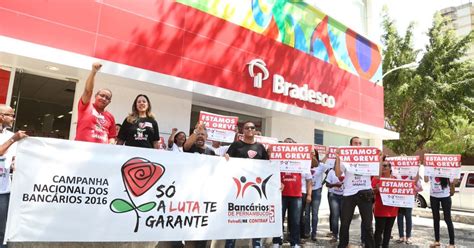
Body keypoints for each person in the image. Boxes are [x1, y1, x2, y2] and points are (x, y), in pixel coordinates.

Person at [225, 121, 269, 248]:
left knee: (256, 217)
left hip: (256, 191)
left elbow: (267, 167)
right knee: (234, 218)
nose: (250, 129)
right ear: (242, 131)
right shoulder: (236, 145)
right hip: (237, 189)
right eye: (247, 127)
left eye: (252, 127)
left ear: (255, 130)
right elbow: (227, 163)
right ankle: (230, 244)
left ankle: (256, 244)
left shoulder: (260, 147)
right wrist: (226, 158)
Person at [335, 136, 375, 248]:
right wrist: (338, 158)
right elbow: (338, 174)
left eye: (360, 143)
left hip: (365, 192)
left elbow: (378, 174)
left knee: (368, 225)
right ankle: (343, 245)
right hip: (349, 194)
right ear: (350, 145)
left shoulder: (369, 158)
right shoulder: (345, 158)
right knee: (344, 224)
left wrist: (380, 159)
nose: (358, 145)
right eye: (355, 143)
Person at [273, 138, 311, 248]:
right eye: (286, 143)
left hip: (296, 195)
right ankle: (277, 242)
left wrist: (309, 194)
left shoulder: (302, 160)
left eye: (291, 143)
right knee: (278, 220)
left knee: (295, 221)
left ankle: (295, 243)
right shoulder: (277, 159)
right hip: (280, 194)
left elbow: (309, 177)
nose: (289, 145)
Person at [0, 104, 28, 248]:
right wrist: (13, 140)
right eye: (10, 115)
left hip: (4, 191)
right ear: (1, 116)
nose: (13, 118)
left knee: (2, 229)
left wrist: (14, 163)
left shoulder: (10, 135)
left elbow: (13, 158)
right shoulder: (13, 138)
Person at [75, 62, 117, 144]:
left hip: (100, 153)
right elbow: (88, 91)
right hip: (82, 149)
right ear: (95, 96)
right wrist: (93, 72)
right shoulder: (86, 106)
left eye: (107, 98)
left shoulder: (110, 117)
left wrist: (111, 144)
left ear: (109, 102)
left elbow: (111, 137)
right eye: (102, 95)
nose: (104, 99)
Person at [424, 175, 456, 248]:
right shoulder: (430, 167)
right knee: (436, 219)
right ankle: (437, 241)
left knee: (447, 219)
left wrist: (455, 173)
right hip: (433, 196)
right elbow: (426, 180)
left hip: (445, 196)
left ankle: (452, 243)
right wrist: (426, 169)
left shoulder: (445, 168)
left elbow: (454, 181)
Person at [372, 160, 398, 248]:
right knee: (379, 231)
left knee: (388, 231)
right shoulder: (376, 178)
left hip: (392, 210)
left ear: (390, 168)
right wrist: (377, 189)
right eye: (381, 166)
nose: (383, 167)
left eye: (385, 166)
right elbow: (372, 192)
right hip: (380, 209)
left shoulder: (395, 179)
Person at [308, 148, 330, 242]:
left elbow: (330, 172)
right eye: (310, 153)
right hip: (306, 191)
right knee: (306, 213)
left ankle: (314, 234)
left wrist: (323, 183)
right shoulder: (305, 164)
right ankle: (306, 232)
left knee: (315, 213)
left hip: (317, 191)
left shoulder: (321, 165)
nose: (312, 154)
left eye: (313, 153)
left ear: (316, 154)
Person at [396, 173, 422, 244]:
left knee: (408, 216)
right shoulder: (397, 173)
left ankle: (408, 237)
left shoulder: (411, 173)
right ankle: (401, 236)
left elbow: (417, 183)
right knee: (400, 217)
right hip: (399, 198)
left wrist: (417, 169)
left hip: (409, 198)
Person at [325, 167, 344, 242]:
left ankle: (343, 236)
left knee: (344, 216)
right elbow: (327, 184)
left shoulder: (346, 171)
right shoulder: (331, 172)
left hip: (344, 196)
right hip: (334, 195)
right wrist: (334, 185)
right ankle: (335, 235)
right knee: (335, 215)